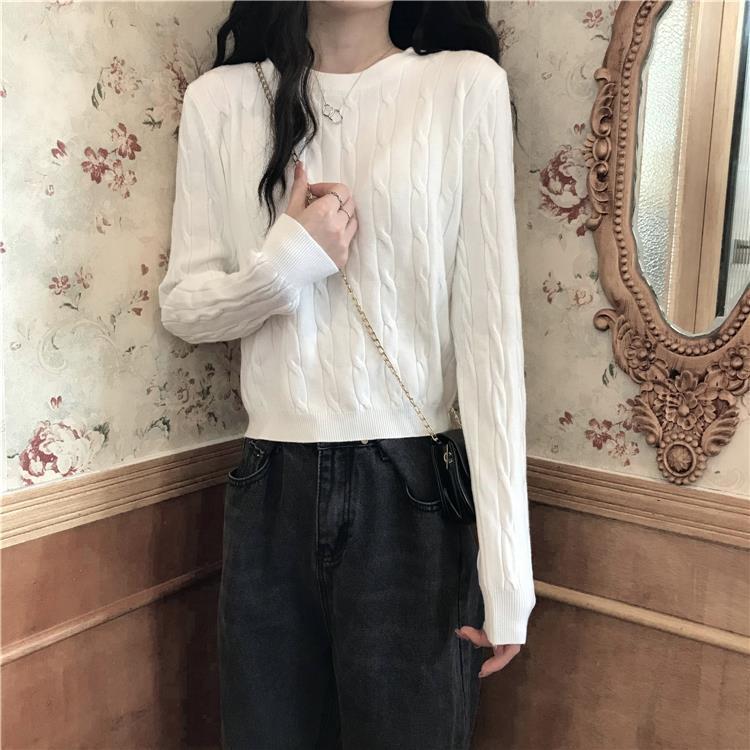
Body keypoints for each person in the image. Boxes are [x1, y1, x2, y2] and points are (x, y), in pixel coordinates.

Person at [158, 1, 537, 747]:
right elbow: (186, 308)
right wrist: (290, 261)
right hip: (270, 486)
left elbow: (491, 340)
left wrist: (508, 577)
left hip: (413, 492)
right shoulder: (222, 100)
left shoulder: (465, 86)